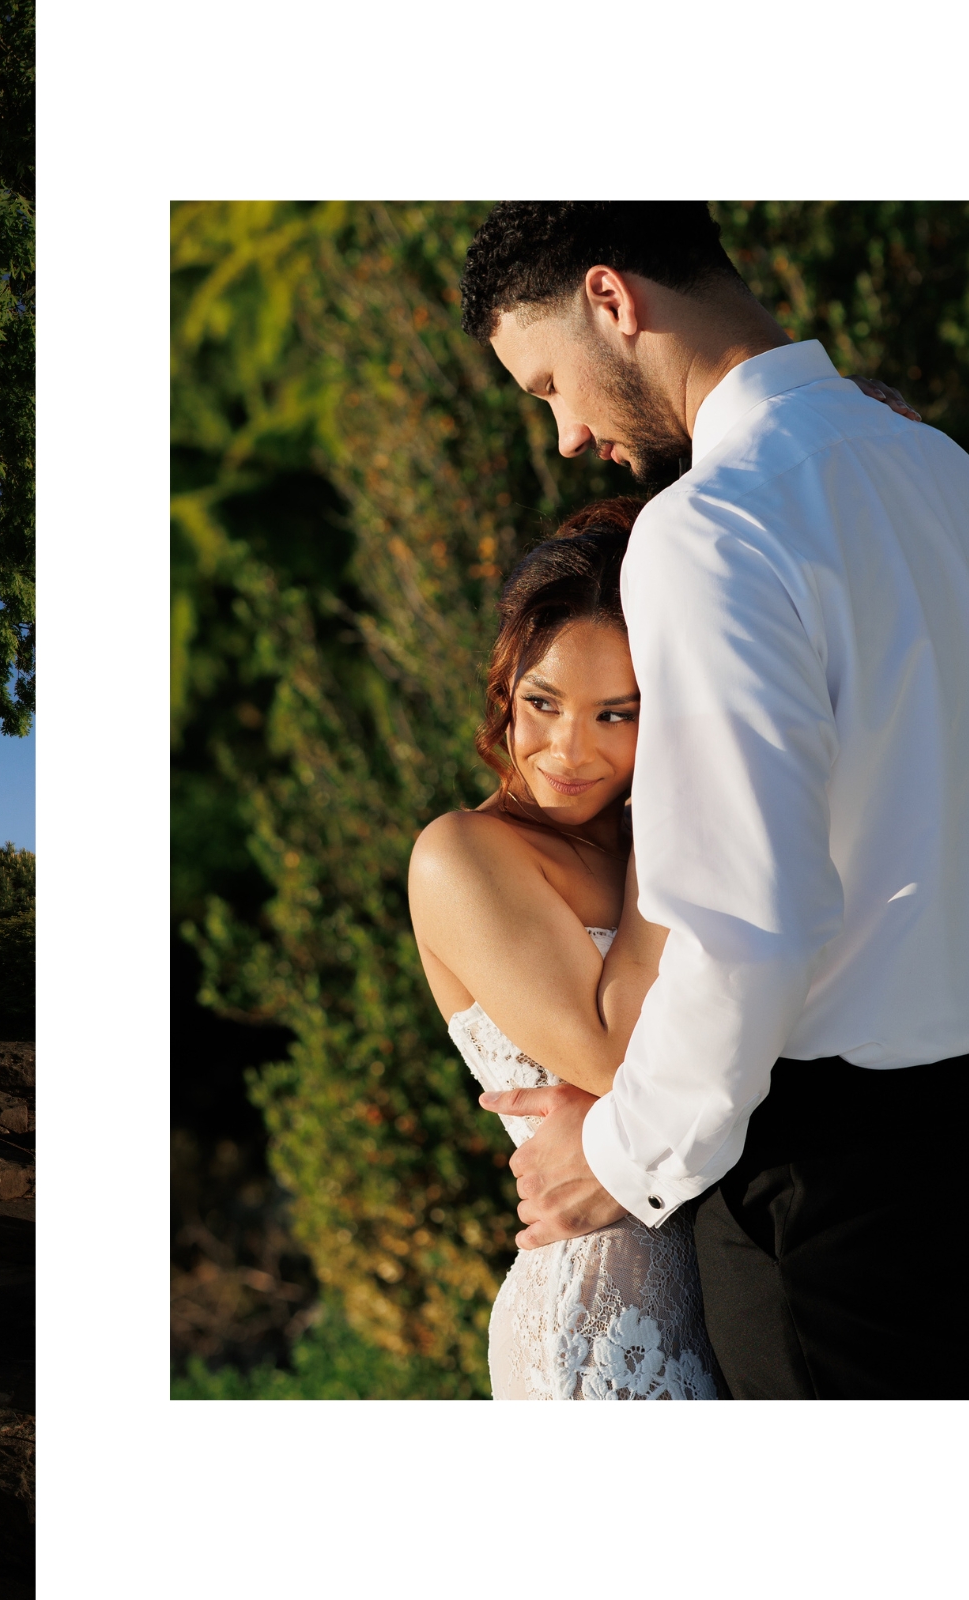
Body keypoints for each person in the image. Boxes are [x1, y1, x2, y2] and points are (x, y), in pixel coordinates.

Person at [456, 201, 969, 1398]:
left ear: (609, 298)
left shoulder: (707, 526)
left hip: (824, 1188)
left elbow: (748, 920)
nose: (567, 434)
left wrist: (619, 1156)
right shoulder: (939, 467)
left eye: (545, 385)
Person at [410, 501, 719, 1399]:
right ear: (506, 687)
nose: (568, 751)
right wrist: (669, 811)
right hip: (599, 1312)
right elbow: (617, 1052)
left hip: (722, 1269)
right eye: (542, 704)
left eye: (615, 716)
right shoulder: (461, 853)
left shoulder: (632, 846)